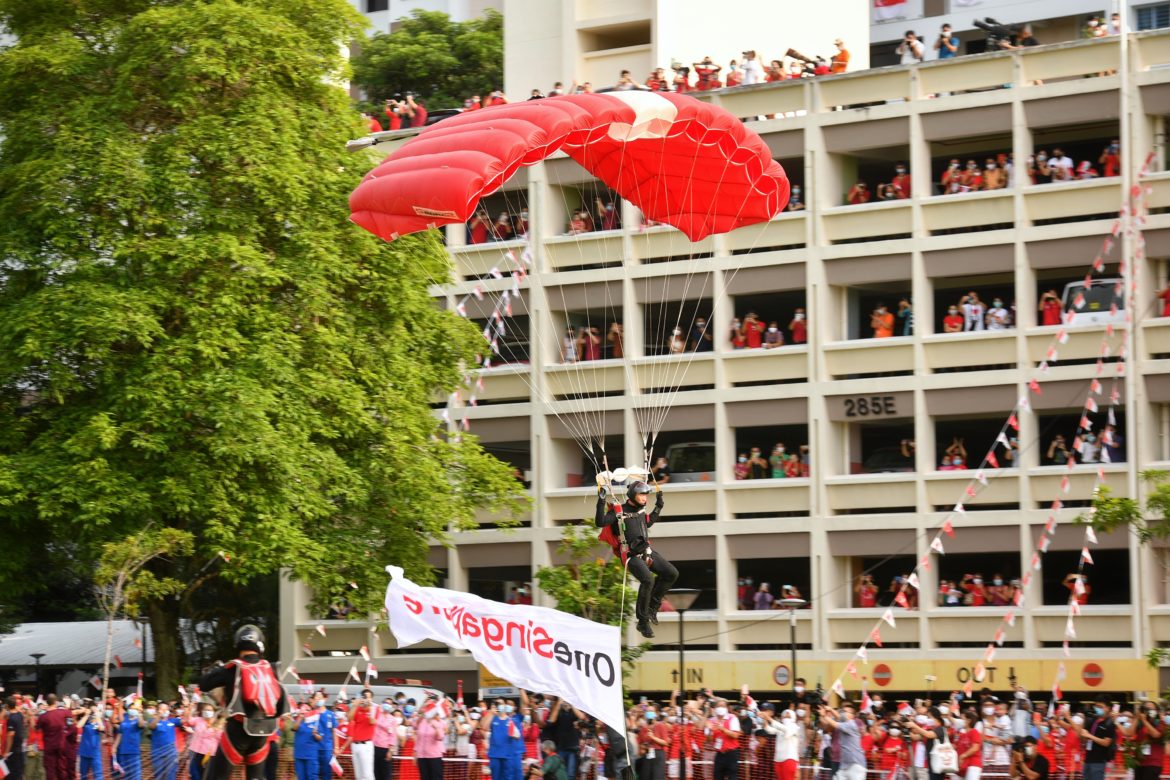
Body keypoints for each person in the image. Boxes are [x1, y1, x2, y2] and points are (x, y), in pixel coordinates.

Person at [200, 624, 290, 780]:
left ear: (238, 643)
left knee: (215, 776)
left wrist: (215, 670)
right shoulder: (272, 668)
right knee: (256, 777)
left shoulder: (234, 668)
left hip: (238, 732)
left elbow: (204, 684)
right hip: (263, 733)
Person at [596, 481, 677, 638]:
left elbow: (649, 522)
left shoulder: (641, 511)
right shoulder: (619, 511)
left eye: (646, 495)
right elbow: (600, 522)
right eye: (641, 495)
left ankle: (653, 607)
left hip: (645, 551)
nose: (644, 498)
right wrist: (601, 501)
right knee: (648, 580)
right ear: (633, 495)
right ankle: (642, 621)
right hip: (630, 555)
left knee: (672, 573)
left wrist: (659, 506)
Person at [483, 695, 529, 780]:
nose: (498, 705)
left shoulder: (511, 720)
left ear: (505, 705)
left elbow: (517, 735)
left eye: (500, 703)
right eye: (496, 703)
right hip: (495, 755)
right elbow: (484, 727)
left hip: (507, 756)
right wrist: (491, 712)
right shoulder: (493, 718)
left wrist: (515, 735)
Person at [821, 702, 866, 780]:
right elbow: (839, 717)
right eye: (843, 711)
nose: (843, 713)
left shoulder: (851, 725)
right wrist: (830, 709)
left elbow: (835, 724)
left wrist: (824, 716)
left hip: (856, 765)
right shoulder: (845, 722)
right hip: (844, 766)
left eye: (846, 712)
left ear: (852, 716)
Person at [37, 696, 71, 780]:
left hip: (49, 746)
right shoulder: (63, 712)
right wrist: (67, 705)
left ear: (47, 703)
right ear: (56, 702)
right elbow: (70, 715)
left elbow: (37, 728)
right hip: (61, 745)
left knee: (50, 770)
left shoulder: (43, 716)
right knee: (61, 768)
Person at [147, 701, 183, 780]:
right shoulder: (153, 720)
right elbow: (151, 727)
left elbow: (185, 721)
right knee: (158, 776)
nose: (164, 711)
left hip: (171, 754)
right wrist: (158, 716)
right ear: (157, 710)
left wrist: (187, 707)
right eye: (162, 709)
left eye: (166, 709)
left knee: (171, 776)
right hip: (157, 754)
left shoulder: (172, 720)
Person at [414, 697, 447, 780]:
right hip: (422, 755)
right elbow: (415, 727)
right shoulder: (422, 721)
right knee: (424, 777)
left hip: (434, 755)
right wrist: (415, 753)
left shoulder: (439, 722)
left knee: (436, 777)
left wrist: (435, 727)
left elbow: (440, 737)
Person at [762, 707, 800, 780]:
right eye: (784, 716)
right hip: (778, 760)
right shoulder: (779, 727)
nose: (785, 717)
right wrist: (765, 718)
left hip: (789, 759)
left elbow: (786, 730)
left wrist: (769, 718)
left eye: (788, 716)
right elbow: (768, 729)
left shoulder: (794, 727)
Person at [113, 702, 147, 780]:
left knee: (135, 776)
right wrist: (114, 747)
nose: (132, 710)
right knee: (125, 775)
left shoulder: (138, 719)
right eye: (131, 708)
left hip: (133, 752)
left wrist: (139, 714)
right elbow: (120, 733)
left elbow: (141, 725)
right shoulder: (124, 719)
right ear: (128, 709)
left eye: (134, 708)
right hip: (123, 751)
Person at [188, 703, 222, 780]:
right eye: (205, 710)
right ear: (202, 711)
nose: (207, 711)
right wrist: (189, 708)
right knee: (195, 772)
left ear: (213, 712)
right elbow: (189, 720)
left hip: (209, 753)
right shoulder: (198, 720)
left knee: (208, 774)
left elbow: (220, 737)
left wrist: (216, 728)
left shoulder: (218, 723)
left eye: (210, 710)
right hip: (197, 751)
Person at [709, 699, 741, 780]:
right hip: (719, 753)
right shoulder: (711, 720)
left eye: (723, 706)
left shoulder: (732, 718)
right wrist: (710, 731)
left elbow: (735, 735)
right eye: (719, 706)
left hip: (732, 753)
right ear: (715, 708)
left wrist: (722, 729)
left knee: (732, 777)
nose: (721, 708)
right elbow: (708, 740)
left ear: (727, 708)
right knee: (717, 776)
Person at [291, 704, 323, 780]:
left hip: (311, 755)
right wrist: (300, 718)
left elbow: (320, 738)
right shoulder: (297, 721)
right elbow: (294, 729)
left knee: (312, 777)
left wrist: (315, 734)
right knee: (301, 777)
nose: (304, 711)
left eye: (307, 710)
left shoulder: (316, 722)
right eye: (303, 709)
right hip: (299, 755)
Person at [4, 696, 26, 780]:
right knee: (19, 772)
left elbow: (10, 735)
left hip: (13, 750)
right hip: (20, 748)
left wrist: (6, 751)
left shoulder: (11, 719)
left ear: (7, 706)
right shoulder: (20, 715)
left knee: (12, 773)